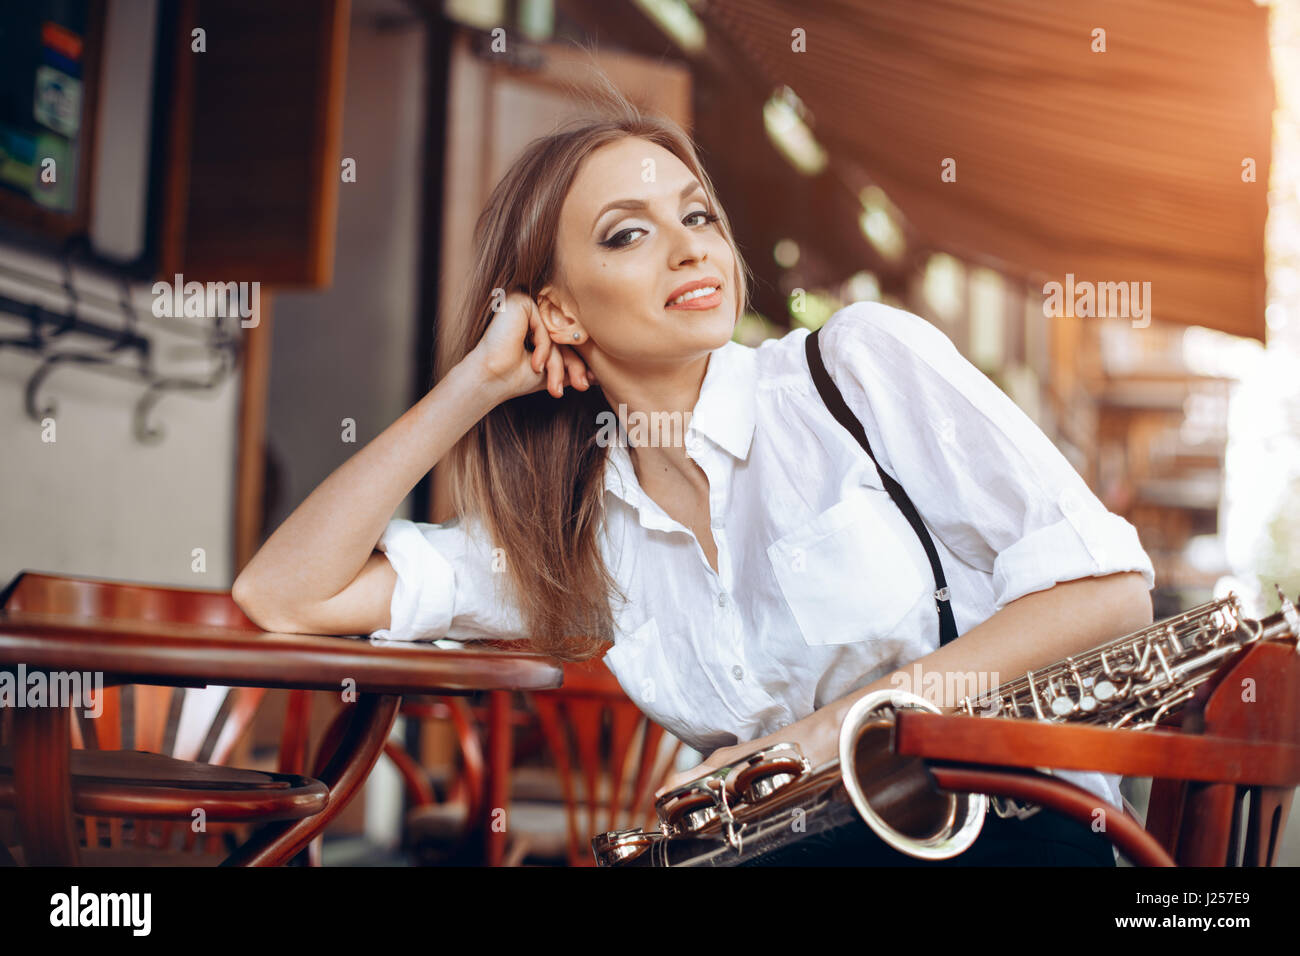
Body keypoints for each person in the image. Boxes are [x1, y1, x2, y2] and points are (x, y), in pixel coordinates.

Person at [232, 82, 1155, 866]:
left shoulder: (856, 370)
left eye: (697, 213)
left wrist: (832, 734)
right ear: (555, 308)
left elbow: (1108, 593)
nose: (689, 248)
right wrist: (470, 386)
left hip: (1010, 838)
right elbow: (286, 594)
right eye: (627, 235)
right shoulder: (581, 536)